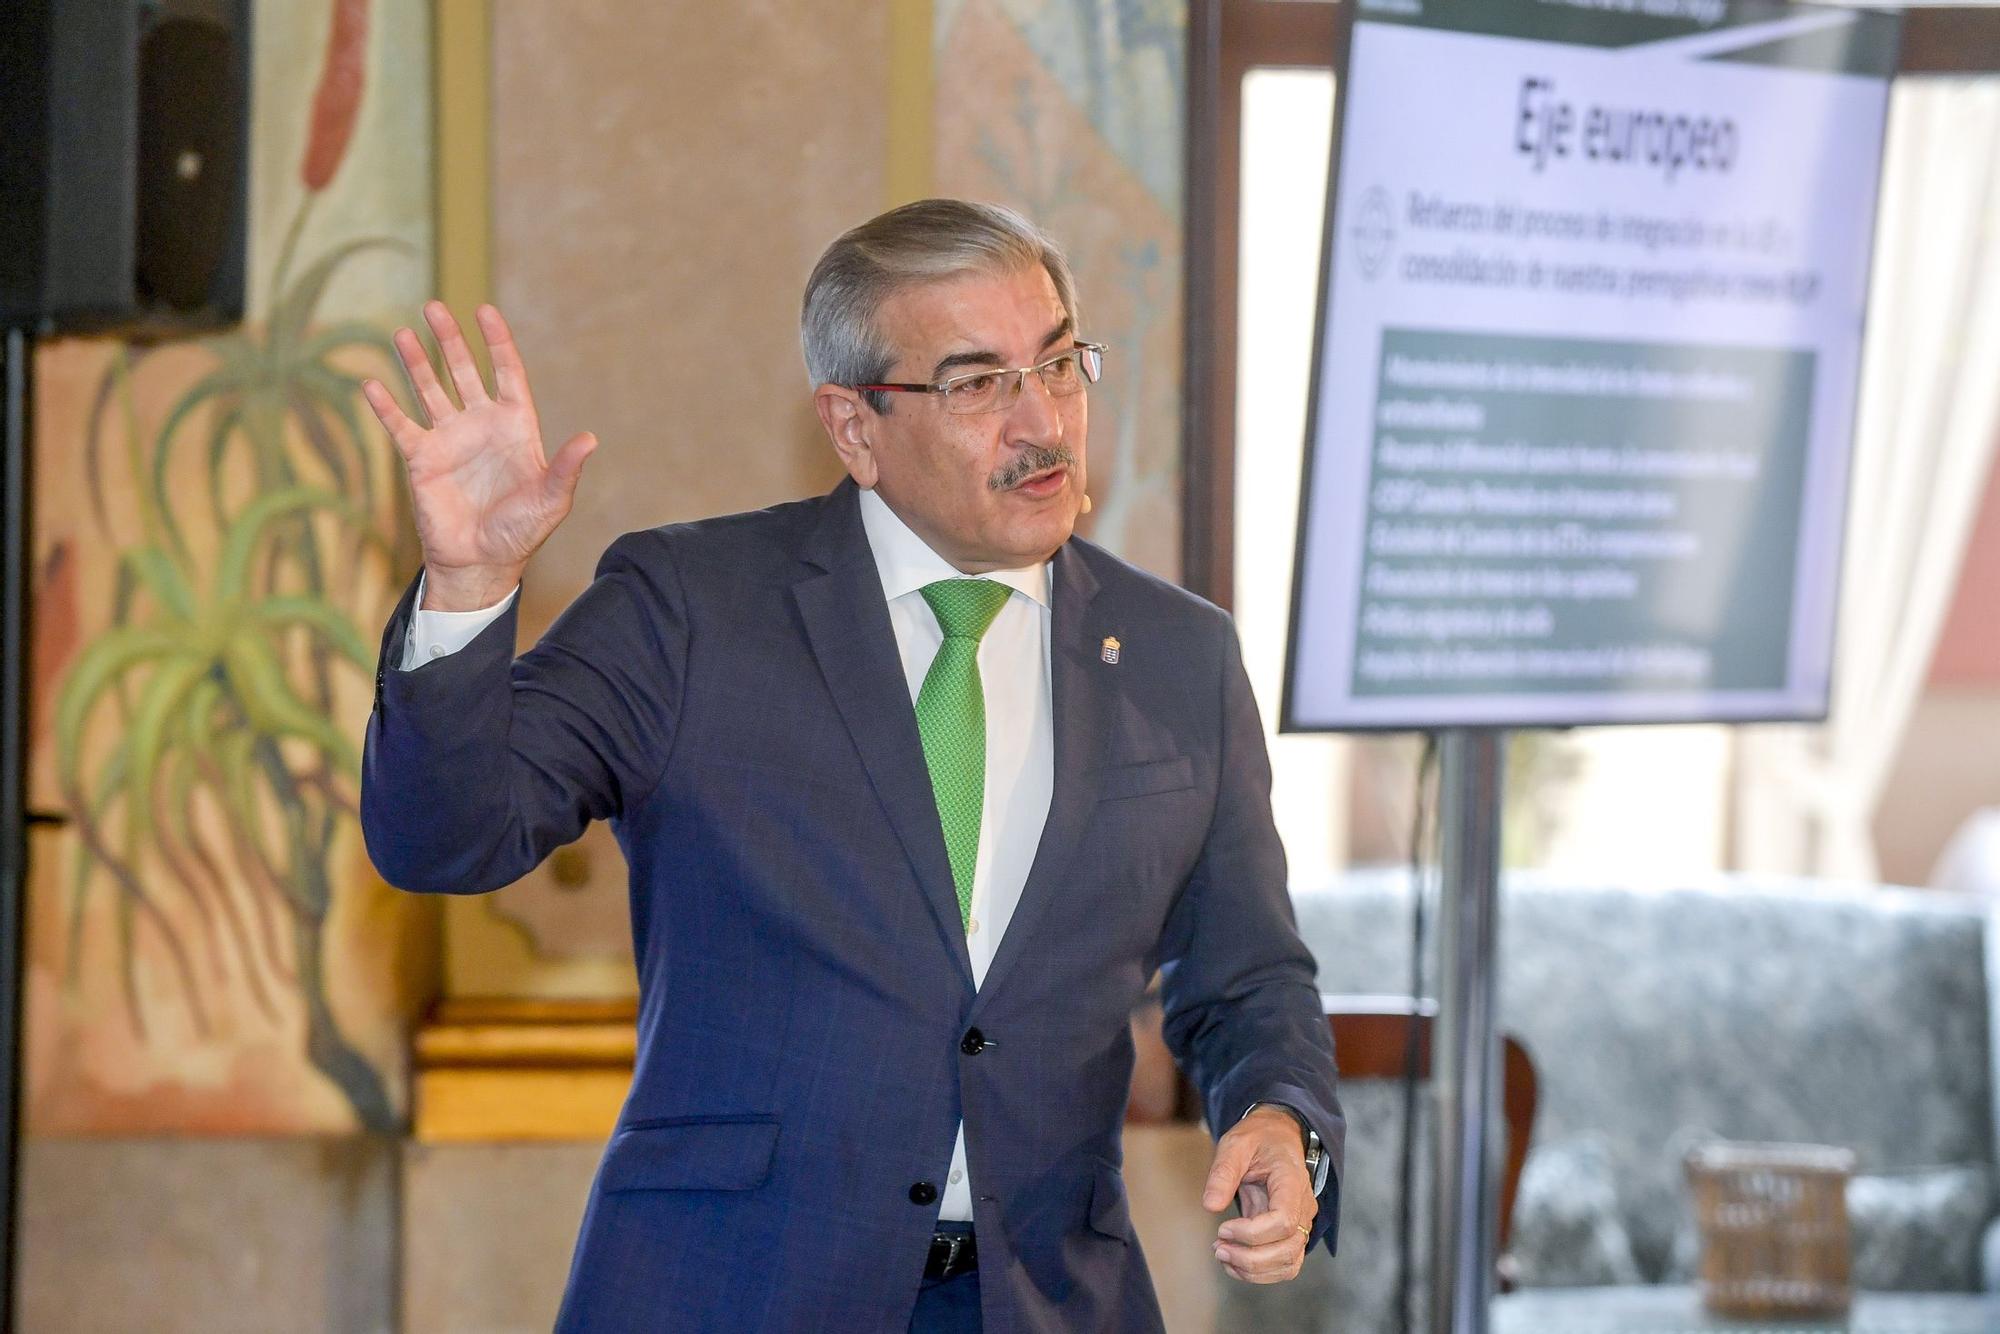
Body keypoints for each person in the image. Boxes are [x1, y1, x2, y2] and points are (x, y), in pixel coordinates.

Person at [359, 199, 1341, 1333]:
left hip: (1045, 1299)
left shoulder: (1177, 652)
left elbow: (1250, 973)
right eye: (976, 384)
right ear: (853, 425)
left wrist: (1277, 1110)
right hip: (731, 1291)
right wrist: (469, 589)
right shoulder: (694, 609)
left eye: (1059, 363)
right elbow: (444, 835)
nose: (1043, 421)